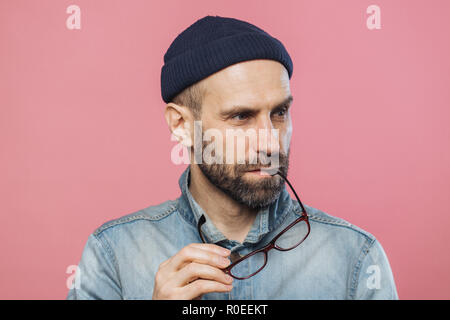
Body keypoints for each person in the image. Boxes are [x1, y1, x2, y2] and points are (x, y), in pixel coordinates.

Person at [67, 15, 398, 300]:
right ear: (181, 125)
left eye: (280, 112)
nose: (269, 142)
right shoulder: (113, 254)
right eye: (241, 116)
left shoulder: (356, 258)